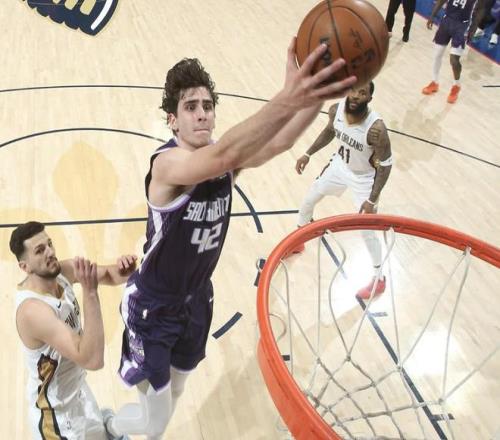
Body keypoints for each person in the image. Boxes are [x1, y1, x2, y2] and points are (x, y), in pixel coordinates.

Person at [103, 39, 357, 439]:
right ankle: (109, 427)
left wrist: (319, 94)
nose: (202, 114)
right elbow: (221, 156)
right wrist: (288, 96)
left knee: (177, 392)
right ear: (172, 121)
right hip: (154, 306)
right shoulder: (168, 164)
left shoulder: (223, 162)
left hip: (196, 299)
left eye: (207, 105)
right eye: (190, 107)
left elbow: (281, 142)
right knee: (155, 422)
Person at [11, 221, 137, 440]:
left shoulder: (62, 272)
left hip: (77, 391)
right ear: (25, 267)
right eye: (40, 250)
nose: (50, 252)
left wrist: (127, 270)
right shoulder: (33, 311)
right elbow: (93, 359)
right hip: (57, 416)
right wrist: (90, 293)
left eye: (49, 244)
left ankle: (110, 427)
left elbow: (109, 274)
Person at [292, 82, 392, 300]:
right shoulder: (336, 110)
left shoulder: (376, 129)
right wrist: (308, 154)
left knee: (367, 229)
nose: (355, 96)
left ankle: (379, 278)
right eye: (353, 90)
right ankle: (298, 241)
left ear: (369, 99)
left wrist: (372, 200)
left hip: (364, 178)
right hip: (339, 166)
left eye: (362, 93)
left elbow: (385, 165)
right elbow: (330, 131)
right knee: (310, 198)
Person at [422, 0, 483, 103]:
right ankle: (434, 82)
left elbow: (480, 10)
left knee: (454, 60)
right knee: (437, 54)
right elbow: (441, 1)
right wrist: (432, 15)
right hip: (447, 21)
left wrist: (473, 28)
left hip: (462, 25)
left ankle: (456, 85)